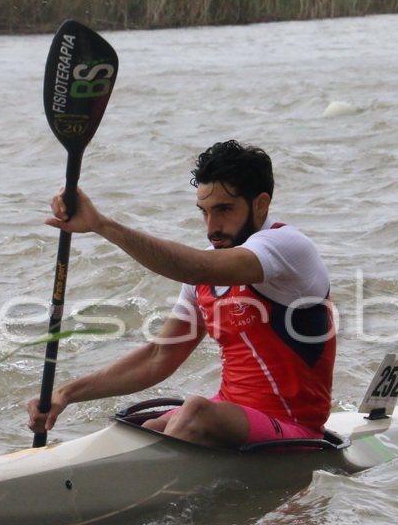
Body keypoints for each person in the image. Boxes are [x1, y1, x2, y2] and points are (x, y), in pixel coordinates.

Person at [26, 140, 335, 448]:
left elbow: (196, 268)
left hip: (293, 427)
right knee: (148, 427)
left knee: (194, 412)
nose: (212, 227)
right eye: (205, 212)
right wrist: (65, 394)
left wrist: (101, 225)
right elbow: (159, 356)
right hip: (234, 414)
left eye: (224, 210)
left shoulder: (287, 247)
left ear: (260, 204)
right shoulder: (204, 275)